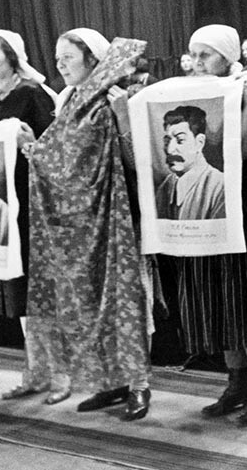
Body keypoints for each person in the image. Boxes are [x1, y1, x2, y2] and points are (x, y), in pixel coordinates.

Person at [26, 29, 154, 420]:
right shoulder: (70, 102)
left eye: (68, 57)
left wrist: (123, 118)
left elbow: (137, 161)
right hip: (79, 222)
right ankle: (109, 381)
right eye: (57, 56)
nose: (59, 63)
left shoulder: (117, 98)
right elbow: (60, 159)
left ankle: (139, 385)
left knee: (124, 296)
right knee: (86, 299)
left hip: (116, 213)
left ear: (93, 60)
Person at [170, 24, 247, 426]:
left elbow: (244, 153)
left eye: (206, 55)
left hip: (239, 209)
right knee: (214, 301)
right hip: (200, 213)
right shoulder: (187, 101)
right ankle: (235, 383)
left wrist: (244, 102)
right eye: (193, 54)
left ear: (227, 58)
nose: (196, 62)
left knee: (246, 301)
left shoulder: (245, 97)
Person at [0, 30, 55, 401]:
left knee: (38, 291)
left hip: (33, 208)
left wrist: (31, 143)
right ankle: (36, 370)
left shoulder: (32, 95)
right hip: (11, 207)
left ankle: (53, 372)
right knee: (23, 294)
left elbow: (54, 150)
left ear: (12, 57)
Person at [154, 105, 226, 221]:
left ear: (199, 142)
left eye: (180, 140)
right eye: (167, 141)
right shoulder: (166, 186)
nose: (170, 150)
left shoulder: (220, 186)